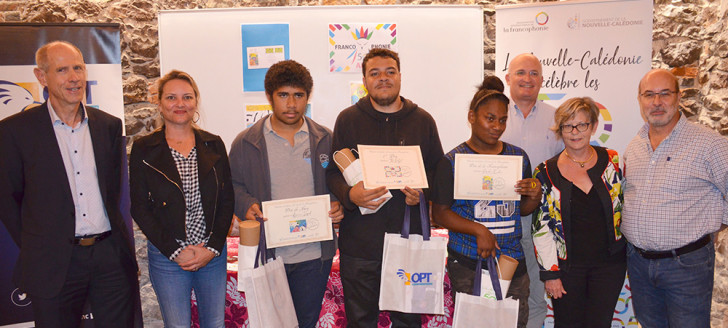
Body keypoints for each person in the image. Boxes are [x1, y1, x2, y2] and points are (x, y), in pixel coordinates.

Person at [0, 41, 138, 327]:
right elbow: (8, 200)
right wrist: (39, 243)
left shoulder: (108, 126)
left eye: (78, 68)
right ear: (42, 77)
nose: (74, 77)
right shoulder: (15, 131)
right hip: (53, 261)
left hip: (109, 257)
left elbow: (112, 194)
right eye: (62, 70)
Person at [326, 48, 444, 327]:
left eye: (390, 72)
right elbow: (332, 173)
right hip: (360, 246)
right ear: (365, 80)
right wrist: (349, 195)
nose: (383, 78)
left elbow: (437, 174)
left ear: (400, 76)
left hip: (408, 241)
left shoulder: (423, 120)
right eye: (374, 73)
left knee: (408, 321)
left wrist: (422, 194)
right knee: (360, 321)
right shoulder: (348, 119)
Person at [228, 60, 343, 328]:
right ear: (270, 97)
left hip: (314, 256)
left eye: (298, 95)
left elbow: (339, 183)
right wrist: (246, 204)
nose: (291, 104)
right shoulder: (246, 143)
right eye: (283, 95)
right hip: (267, 253)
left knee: (305, 323)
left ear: (307, 97)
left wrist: (338, 204)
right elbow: (232, 186)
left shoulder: (326, 139)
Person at [622, 69, 728, 327]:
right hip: (638, 263)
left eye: (664, 94)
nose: (656, 102)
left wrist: (716, 223)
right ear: (640, 100)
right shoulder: (634, 145)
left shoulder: (709, 144)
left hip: (686, 265)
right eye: (649, 95)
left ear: (678, 97)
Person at [129, 70, 234, 327]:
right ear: (160, 103)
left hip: (211, 255)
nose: (180, 104)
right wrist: (176, 252)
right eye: (171, 97)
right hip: (168, 257)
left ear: (195, 101)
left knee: (215, 324)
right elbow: (140, 207)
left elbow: (227, 200)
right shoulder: (144, 148)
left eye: (187, 97)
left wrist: (211, 248)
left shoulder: (214, 144)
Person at [431, 84, 542, 328]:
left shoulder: (518, 157)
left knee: (514, 322)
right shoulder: (451, 161)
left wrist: (534, 196)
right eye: (489, 118)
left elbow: (521, 209)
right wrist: (479, 230)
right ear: (472, 117)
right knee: (475, 323)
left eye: (502, 120)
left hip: (512, 260)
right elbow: (439, 213)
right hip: (470, 260)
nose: (497, 127)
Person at [531, 97, 626, 327]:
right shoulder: (545, 172)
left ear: (593, 126)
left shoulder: (611, 160)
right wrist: (551, 273)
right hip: (566, 270)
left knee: (600, 324)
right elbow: (540, 227)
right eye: (567, 125)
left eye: (582, 125)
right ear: (560, 129)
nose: (575, 132)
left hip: (609, 267)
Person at [500, 53, 564, 328]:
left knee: (537, 295)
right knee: (499, 294)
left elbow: (567, 166)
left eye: (534, 73)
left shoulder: (557, 118)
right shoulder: (494, 115)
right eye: (521, 72)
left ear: (542, 79)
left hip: (540, 223)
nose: (527, 78)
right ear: (508, 78)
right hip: (499, 221)